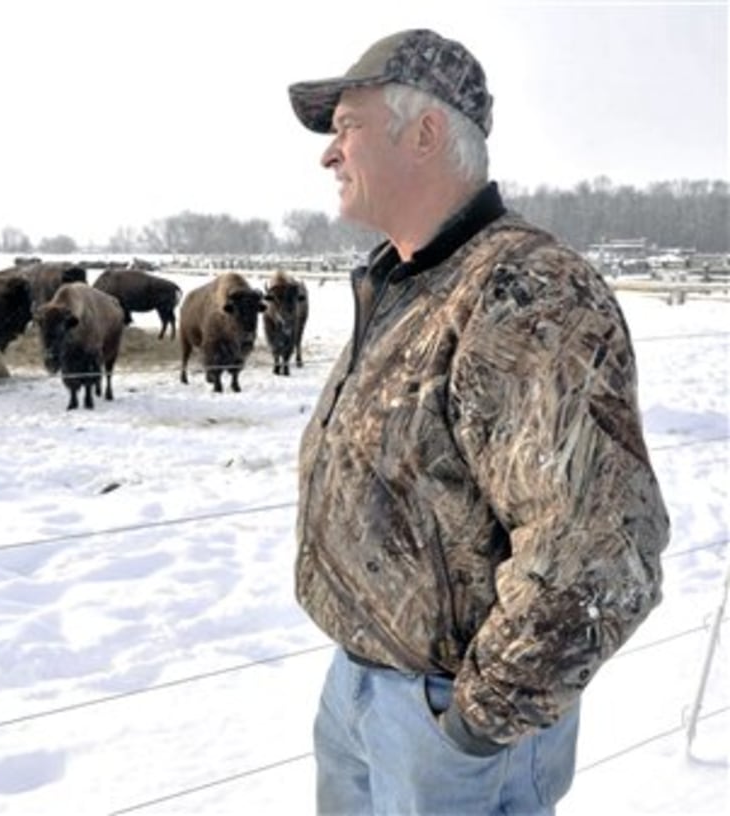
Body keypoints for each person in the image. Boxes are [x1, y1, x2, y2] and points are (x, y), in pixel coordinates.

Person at [286, 28, 670, 815]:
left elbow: (600, 549)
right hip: (362, 689)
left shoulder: (526, 291)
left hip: (444, 722)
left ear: (424, 133)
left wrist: (471, 724)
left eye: (347, 127)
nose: (330, 154)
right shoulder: (406, 282)